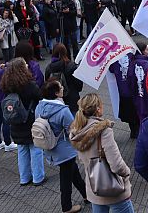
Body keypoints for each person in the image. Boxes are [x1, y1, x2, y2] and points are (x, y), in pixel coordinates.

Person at [70, 93, 134, 213]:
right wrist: (126, 173)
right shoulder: (104, 131)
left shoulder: (78, 131)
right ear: (98, 109)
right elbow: (116, 164)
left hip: (94, 189)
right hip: (113, 190)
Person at [35, 79, 87, 213]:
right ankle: (66, 207)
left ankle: (86, 195)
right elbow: (73, 131)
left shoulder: (39, 107)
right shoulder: (63, 110)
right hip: (65, 150)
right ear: (56, 93)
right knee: (66, 179)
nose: (63, 88)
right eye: (60, 87)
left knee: (74, 172)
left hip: (50, 147)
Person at [1, 58, 46, 186]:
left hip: (16, 121)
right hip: (30, 121)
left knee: (22, 150)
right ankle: (38, 177)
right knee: (35, 149)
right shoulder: (29, 85)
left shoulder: (7, 86)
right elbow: (40, 96)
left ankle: (24, 177)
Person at [45, 43, 83, 114]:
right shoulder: (71, 66)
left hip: (56, 102)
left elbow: (46, 83)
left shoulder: (49, 68)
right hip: (72, 100)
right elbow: (79, 85)